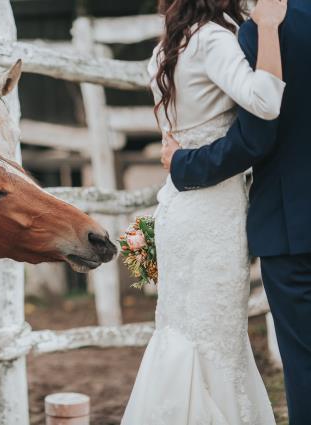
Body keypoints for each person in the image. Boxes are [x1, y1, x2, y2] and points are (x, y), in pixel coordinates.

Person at [122, 0, 288, 423]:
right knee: (215, 340)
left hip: (180, 206)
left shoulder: (167, 48)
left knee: (186, 334)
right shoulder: (213, 39)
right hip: (213, 211)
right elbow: (266, 102)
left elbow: (172, 141)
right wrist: (267, 29)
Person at [160, 0, 311, 422]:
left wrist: (183, 164)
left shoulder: (264, 31)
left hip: (293, 226)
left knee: (304, 365)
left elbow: (257, 137)